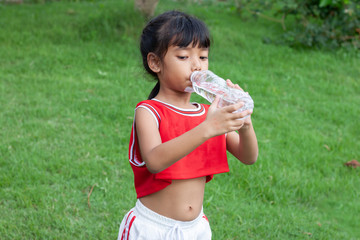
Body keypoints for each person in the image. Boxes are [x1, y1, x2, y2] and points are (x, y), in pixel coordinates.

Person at [118, 10, 258, 240]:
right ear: (155, 62)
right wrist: (207, 128)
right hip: (152, 228)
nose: (197, 66)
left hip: (196, 230)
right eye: (184, 57)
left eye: (203, 57)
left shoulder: (207, 112)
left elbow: (248, 156)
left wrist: (245, 124)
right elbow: (155, 161)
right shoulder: (149, 111)